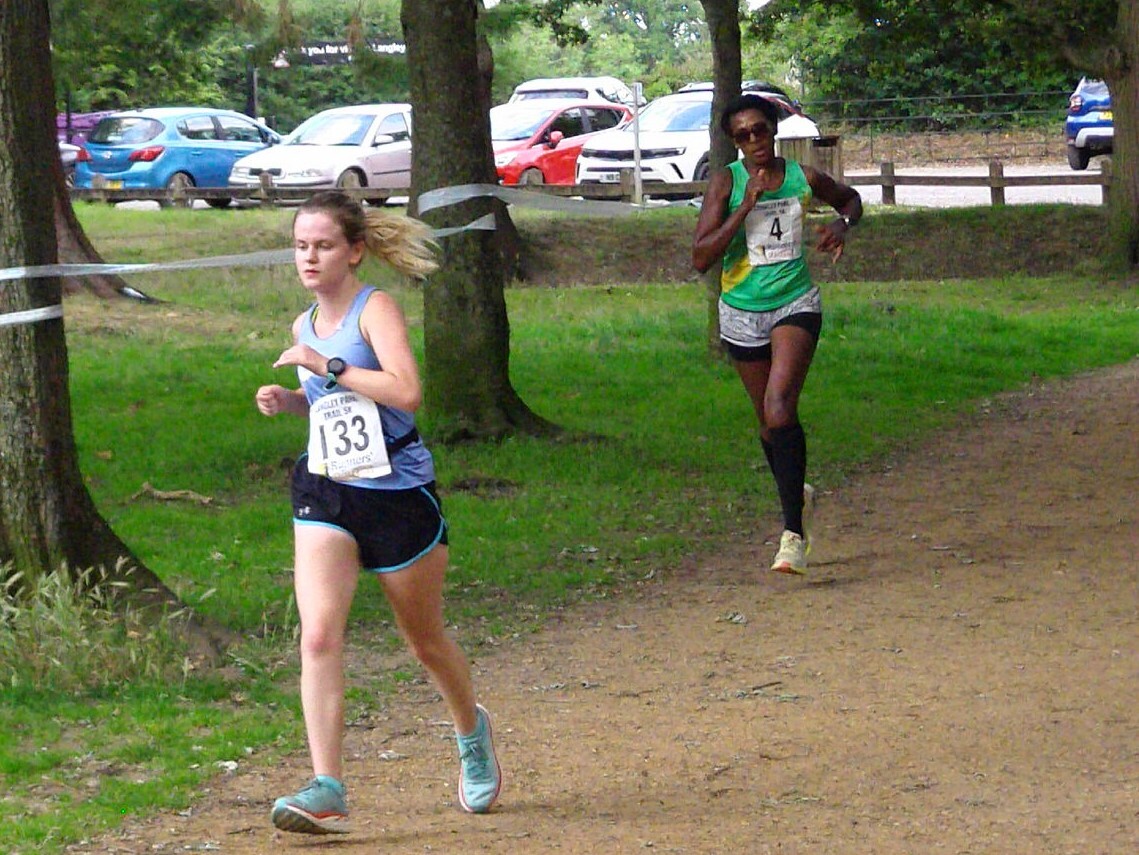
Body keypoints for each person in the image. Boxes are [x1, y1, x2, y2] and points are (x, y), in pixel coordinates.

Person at [255, 190, 502, 834]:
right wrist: (291, 399)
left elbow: (406, 392)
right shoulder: (304, 324)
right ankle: (327, 788)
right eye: (301, 246)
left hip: (396, 494)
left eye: (323, 245)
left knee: (424, 641)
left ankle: (471, 733)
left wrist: (326, 365)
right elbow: (335, 406)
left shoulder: (375, 309)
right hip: (326, 489)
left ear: (355, 251)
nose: (310, 257)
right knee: (318, 635)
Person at [692, 93, 862, 575]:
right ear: (734, 142)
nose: (753, 141)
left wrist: (842, 225)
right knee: (769, 425)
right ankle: (797, 495)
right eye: (742, 135)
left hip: (794, 303)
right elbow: (701, 256)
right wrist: (744, 206)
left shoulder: (802, 177)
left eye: (760, 130)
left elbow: (850, 200)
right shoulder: (727, 182)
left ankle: (792, 536)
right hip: (742, 311)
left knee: (780, 406)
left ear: (774, 129)